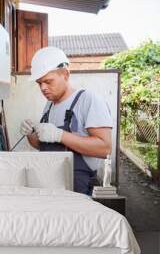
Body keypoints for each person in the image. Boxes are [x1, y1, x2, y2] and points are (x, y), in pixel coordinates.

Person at [20, 46, 113, 195]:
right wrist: (31, 133)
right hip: (49, 188)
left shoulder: (88, 100)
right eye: (39, 83)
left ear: (65, 74)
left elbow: (105, 149)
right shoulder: (49, 105)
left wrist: (60, 135)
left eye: (48, 81)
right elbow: (41, 146)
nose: (43, 88)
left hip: (77, 191)